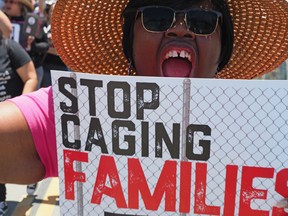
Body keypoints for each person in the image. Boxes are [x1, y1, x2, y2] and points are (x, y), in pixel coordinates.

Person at [0, 0, 287, 209]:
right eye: (157, 17)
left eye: (203, 21)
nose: (180, 31)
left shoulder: (268, 132)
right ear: (130, 40)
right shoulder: (83, 113)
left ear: (223, 48)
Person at [0, 29, 37, 215]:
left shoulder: (9, 47)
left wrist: (23, 106)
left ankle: (32, 177)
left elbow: (31, 77)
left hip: (15, 119)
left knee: (22, 159)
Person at [3, 0, 49, 89]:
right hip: (8, 71)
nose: (7, 4)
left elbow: (45, 45)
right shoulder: (3, 23)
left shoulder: (33, 20)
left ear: (21, 4)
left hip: (31, 70)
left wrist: (33, 45)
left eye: (11, 2)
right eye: (5, 1)